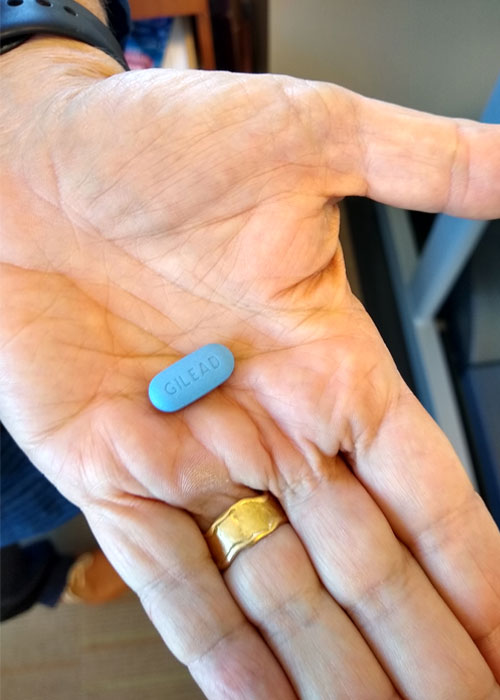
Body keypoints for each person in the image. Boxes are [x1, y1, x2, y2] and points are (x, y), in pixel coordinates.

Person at [1, 0, 499, 697]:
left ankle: (48, 574)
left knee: (52, 495)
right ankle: (37, 583)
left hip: (46, 382)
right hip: (54, 394)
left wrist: (27, 64)